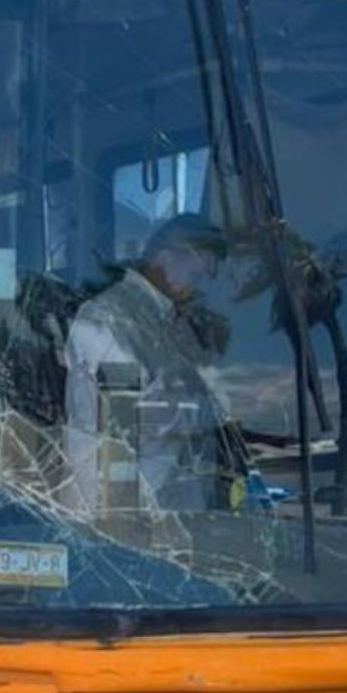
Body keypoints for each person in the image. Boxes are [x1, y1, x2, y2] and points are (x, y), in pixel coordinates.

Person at [64, 214, 235, 513]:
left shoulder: (171, 318)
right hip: (116, 503)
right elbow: (123, 419)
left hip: (162, 495)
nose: (200, 288)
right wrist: (196, 407)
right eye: (195, 277)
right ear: (165, 259)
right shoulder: (110, 318)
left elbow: (216, 398)